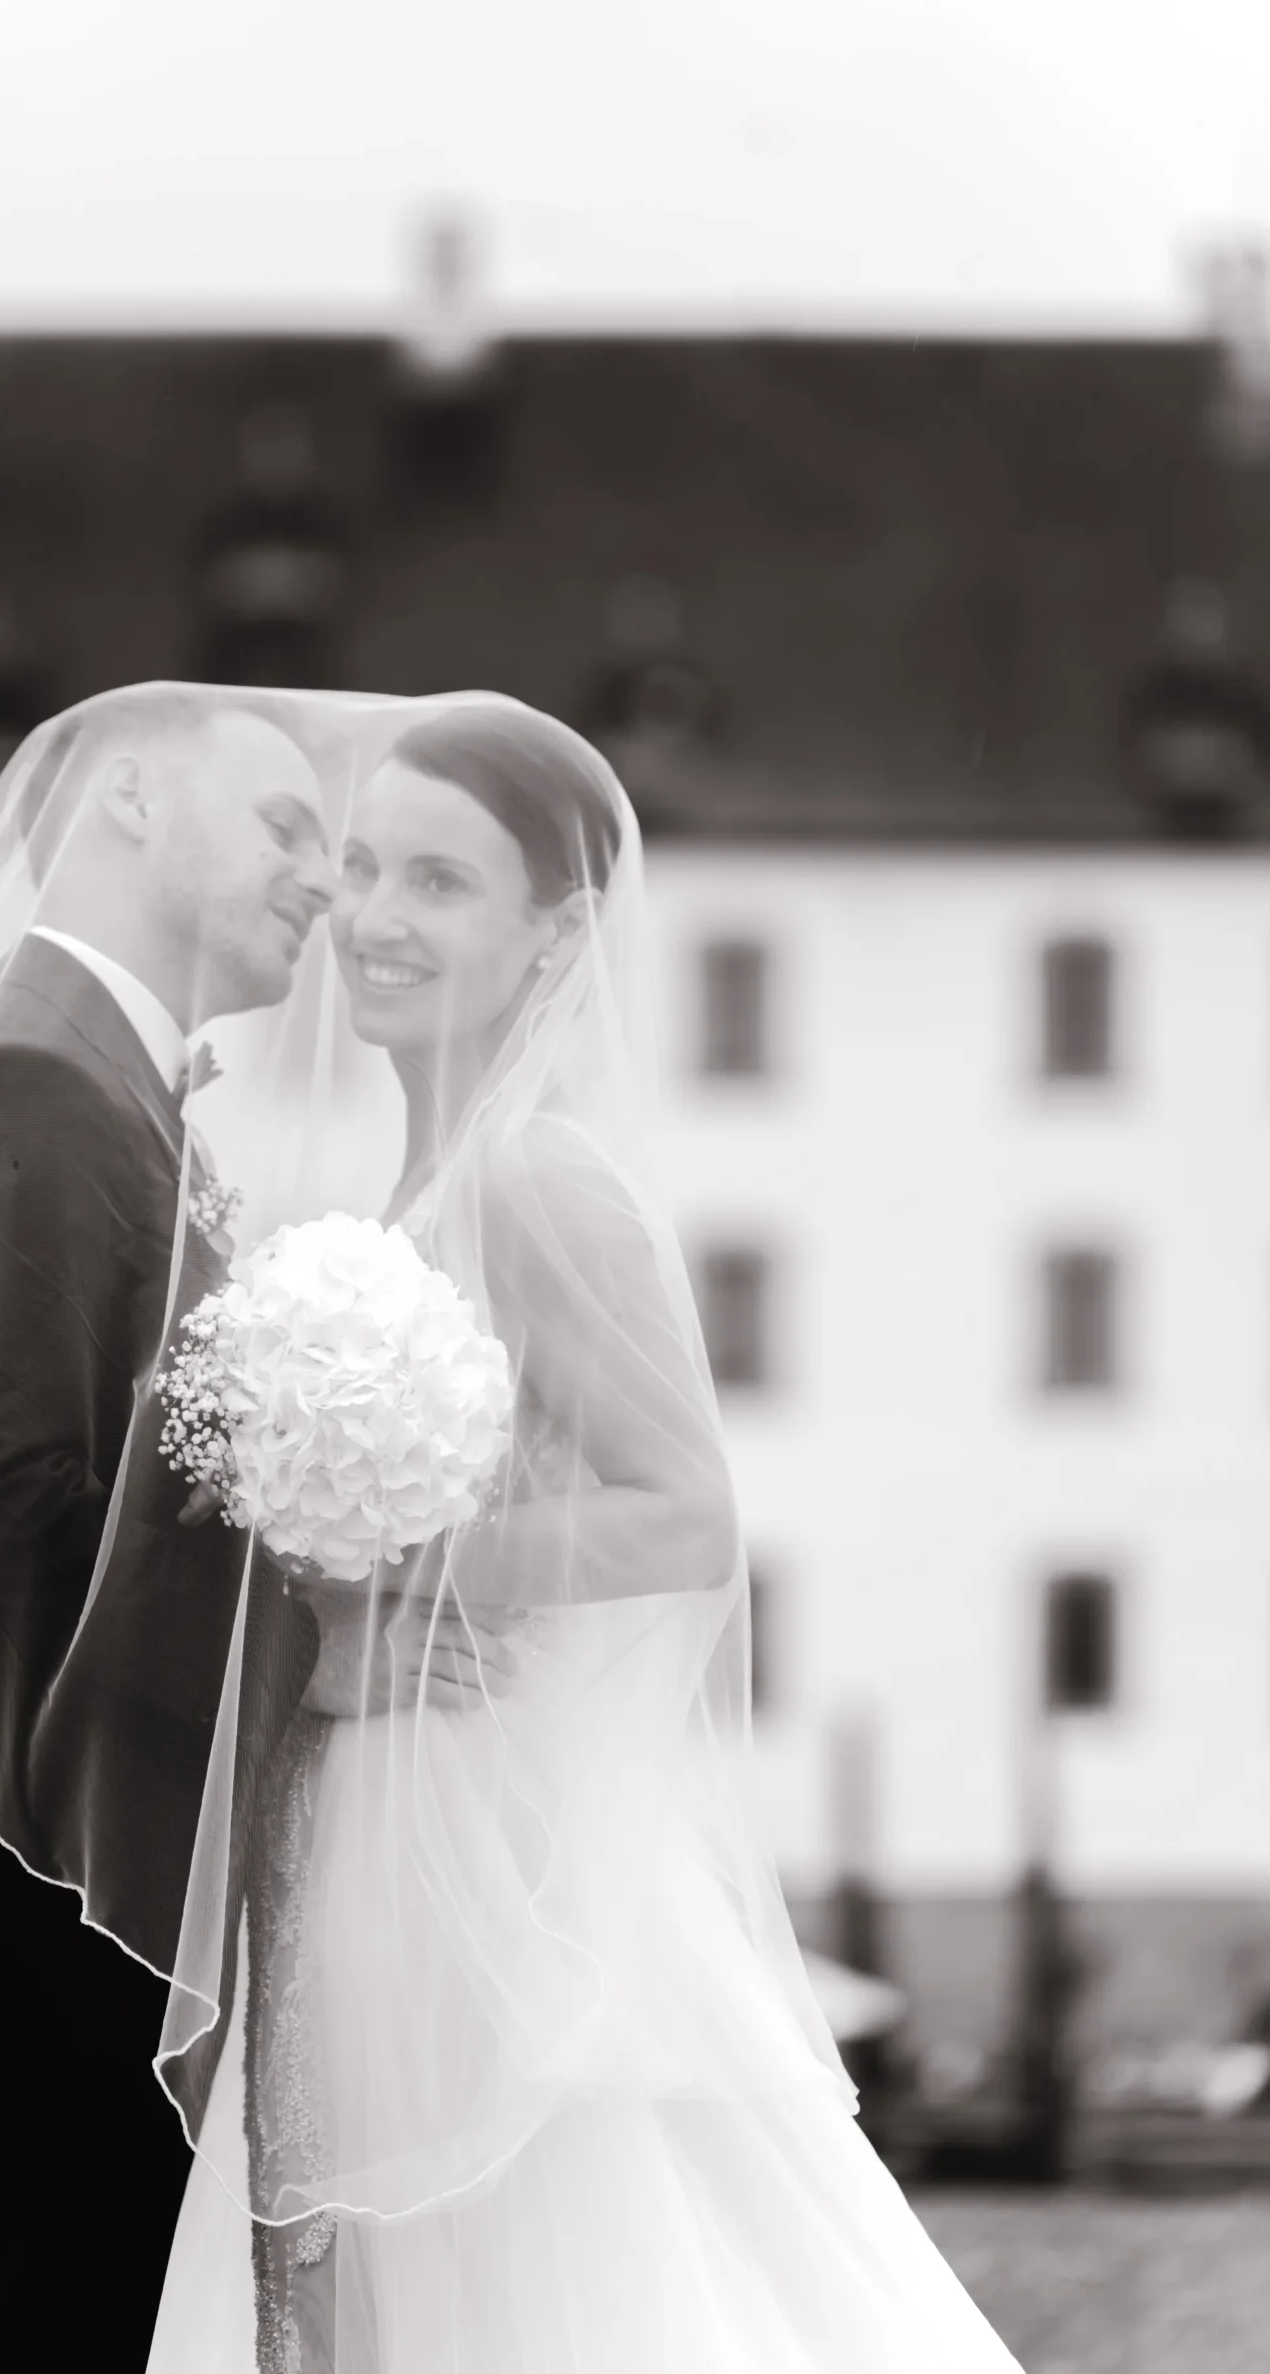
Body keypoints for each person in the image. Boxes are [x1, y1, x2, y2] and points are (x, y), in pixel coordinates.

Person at [144, 698, 1026, 2372]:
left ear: (553, 938)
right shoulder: (427, 1176)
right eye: (363, 869)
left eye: (440, 883)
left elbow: (685, 1509)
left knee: (524, 2276)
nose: (376, 919)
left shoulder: (537, 1182)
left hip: (472, 1826)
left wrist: (387, 1568)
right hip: (370, 1797)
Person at [0, 690, 473, 2371]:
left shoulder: (85, 1070)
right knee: (25, 2327)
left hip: (39, 1833)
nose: (319, 886)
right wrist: (324, 1630)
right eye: (285, 827)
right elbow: (8, 1519)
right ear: (127, 800)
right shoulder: (33, 1081)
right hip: (34, 1851)